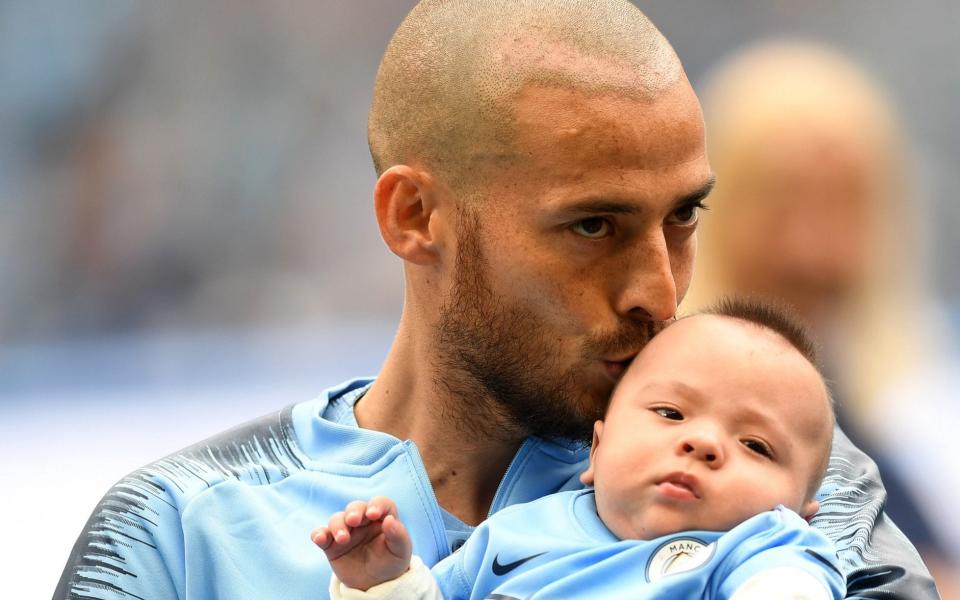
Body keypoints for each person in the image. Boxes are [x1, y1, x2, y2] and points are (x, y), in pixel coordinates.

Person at [55, 2, 939, 598]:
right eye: (594, 226)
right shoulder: (180, 533)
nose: (660, 290)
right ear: (415, 217)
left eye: (682, 217)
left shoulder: (774, 491)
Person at [314, 299, 846, 599]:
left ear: (801, 509)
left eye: (755, 444)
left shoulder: (762, 547)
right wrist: (385, 583)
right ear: (597, 448)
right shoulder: (512, 533)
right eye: (670, 413)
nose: (702, 442)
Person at [682, 39, 959, 593]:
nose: (811, 248)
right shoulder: (675, 384)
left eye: (844, 200)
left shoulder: (923, 369)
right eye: (783, 200)